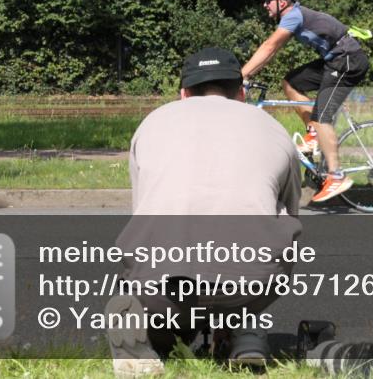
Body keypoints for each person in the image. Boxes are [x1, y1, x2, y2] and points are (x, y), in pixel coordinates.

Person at [108, 47, 302, 376]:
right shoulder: (273, 129)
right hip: (253, 283)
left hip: (162, 286)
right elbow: (290, 210)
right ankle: (243, 331)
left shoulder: (153, 123)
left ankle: (147, 333)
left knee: (150, 281)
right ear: (240, 93)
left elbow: (143, 208)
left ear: (183, 94)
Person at [242, 0, 370, 203]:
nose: (265, 5)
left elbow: (269, 46)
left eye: (268, 1)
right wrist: (248, 74)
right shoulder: (294, 16)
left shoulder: (293, 15)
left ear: (282, 2)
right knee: (291, 83)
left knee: (322, 117)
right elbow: (271, 52)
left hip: (348, 61)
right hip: (335, 60)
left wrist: (241, 75)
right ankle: (313, 134)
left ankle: (336, 176)